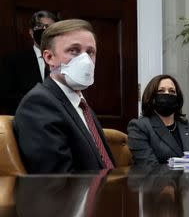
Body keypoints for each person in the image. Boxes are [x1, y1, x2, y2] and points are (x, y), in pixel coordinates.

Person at [13, 19, 116, 174]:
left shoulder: (80, 104)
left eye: (90, 52)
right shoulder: (39, 104)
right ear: (49, 58)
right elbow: (59, 182)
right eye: (73, 50)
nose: (85, 61)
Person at [127, 74, 189, 165]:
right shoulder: (139, 127)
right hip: (155, 179)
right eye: (161, 91)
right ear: (151, 98)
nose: (167, 94)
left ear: (178, 99)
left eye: (172, 91)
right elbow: (149, 166)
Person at [0, 10, 59, 115]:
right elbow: (6, 96)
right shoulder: (14, 61)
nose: (45, 32)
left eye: (50, 28)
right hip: (28, 118)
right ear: (31, 32)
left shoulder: (64, 59)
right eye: (40, 27)